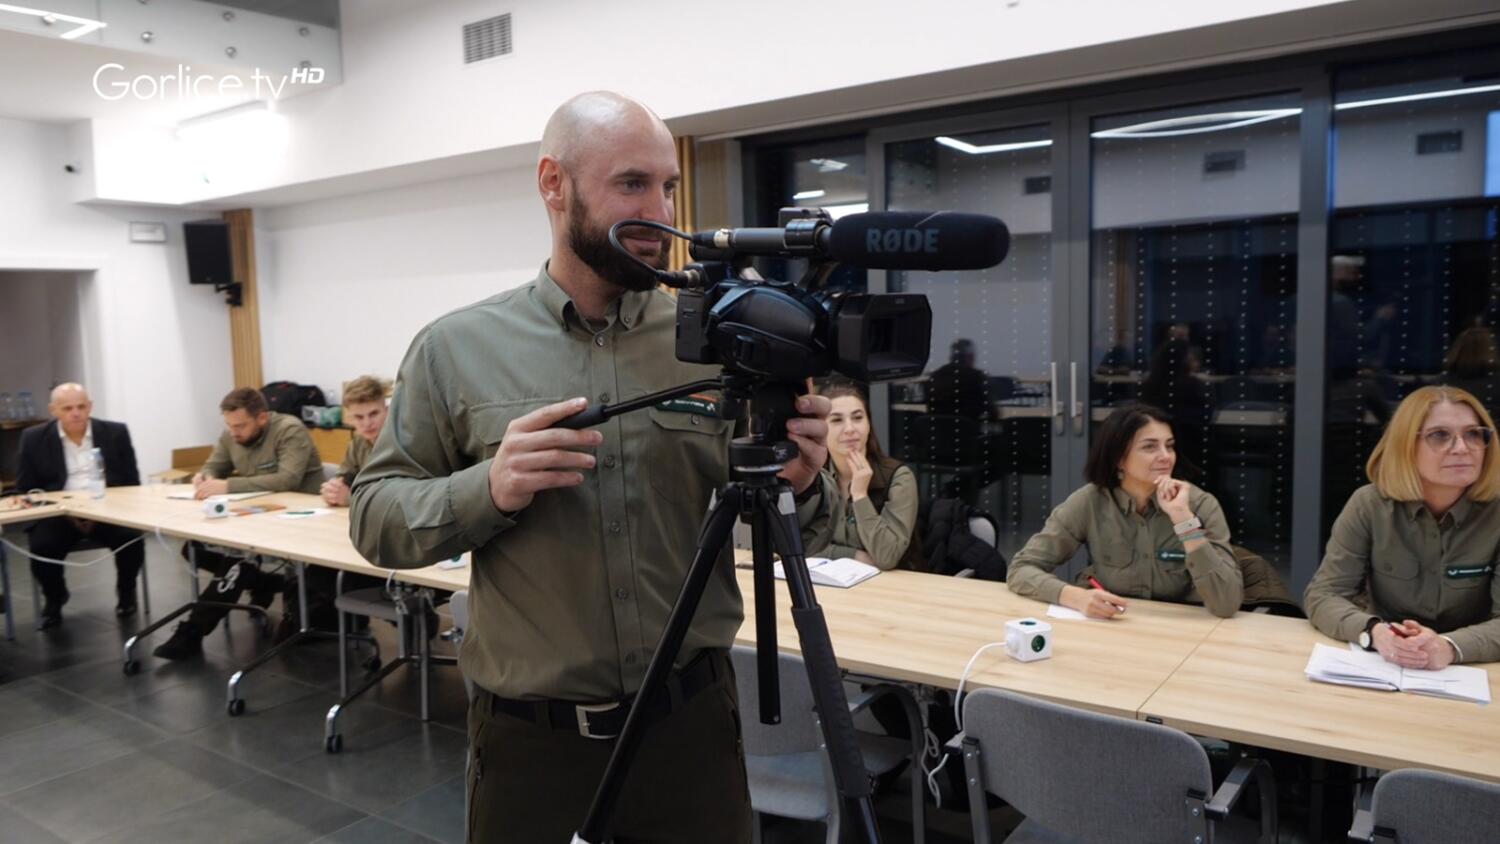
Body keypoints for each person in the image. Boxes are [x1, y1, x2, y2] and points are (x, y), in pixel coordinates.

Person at [349, 91, 832, 844]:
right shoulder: (455, 349)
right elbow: (376, 519)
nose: (661, 212)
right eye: (632, 184)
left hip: (692, 735)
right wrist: (491, 487)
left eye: (668, 186)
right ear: (554, 183)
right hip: (532, 747)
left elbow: (791, 507)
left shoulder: (715, 342)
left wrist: (804, 480)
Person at [1305, 386, 1500, 667]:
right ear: (1406, 445)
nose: (1462, 448)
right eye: (1440, 436)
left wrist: (1448, 647)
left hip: (1476, 671)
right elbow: (1324, 595)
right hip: (1386, 664)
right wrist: (1375, 633)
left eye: (1473, 434)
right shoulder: (1369, 505)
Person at [1007, 404, 1244, 618]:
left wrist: (1184, 521)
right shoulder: (1089, 502)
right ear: (1119, 458)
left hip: (1182, 631)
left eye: (1169, 446)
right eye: (1150, 447)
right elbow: (1021, 568)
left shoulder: (1200, 504)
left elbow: (1226, 604)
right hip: (1114, 624)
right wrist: (1074, 596)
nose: (1165, 456)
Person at [152, 387, 323, 660]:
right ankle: (265, 583)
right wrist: (204, 476)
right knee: (195, 548)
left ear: (262, 418)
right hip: (258, 514)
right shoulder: (231, 434)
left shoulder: (289, 430)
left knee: (237, 563)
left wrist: (227, 485)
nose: (234, 432)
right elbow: (213, 466)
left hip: (300, 518)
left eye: (241, 425)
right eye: (229, 425)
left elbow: (286, 480)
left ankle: (194, 630)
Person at [14, 383, 143, 628]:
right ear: (54, 410)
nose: (76, 413)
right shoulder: (34, 438)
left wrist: (100, 510)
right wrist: (65, 510)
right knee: (42, 546)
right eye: (68, 408)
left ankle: (126, 592)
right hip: (59, 512)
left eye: (81, 406)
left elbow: (131, 482)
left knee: (131, 537)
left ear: (90, 407)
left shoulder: (115, 433)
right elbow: (26, 486)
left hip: (108, 508)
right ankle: (55, 597)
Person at [813, 378, 924, 571]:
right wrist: (854, 556)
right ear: (821, 428)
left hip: (894, 589)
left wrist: (860, 495)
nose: (850, 429)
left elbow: (887, 557)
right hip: (829, 586)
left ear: (869, 424)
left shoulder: (899, 477)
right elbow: (796, 546)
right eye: (837, 420)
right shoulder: (814, 477)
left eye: (857, 417)